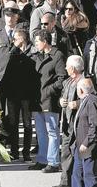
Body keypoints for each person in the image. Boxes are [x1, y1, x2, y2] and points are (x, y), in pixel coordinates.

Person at [65, 78, 97, 187]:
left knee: (90, 176)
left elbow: (95, 126)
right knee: (76, 173)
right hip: (79, 145)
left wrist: (87, 143)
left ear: (81, 90)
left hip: (89, 146)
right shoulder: (85, 100)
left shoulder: (92, 102)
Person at [29, 29, 67, 173]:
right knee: (40, 131)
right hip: (37, 100)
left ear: (45, 42)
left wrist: (48, 91)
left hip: (50, 99)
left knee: (52, 131)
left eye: (37, 41)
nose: (35, 44)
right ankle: (42, 159)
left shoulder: (57, 56)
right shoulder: (37, 56)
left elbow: (62, 78)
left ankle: (53, 161)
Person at [4, 27, 39, 161]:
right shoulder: (13, 52)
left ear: (23, 38)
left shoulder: (33, 52)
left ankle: (26, 152)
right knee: (13, 123)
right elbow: (7, 62)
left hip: (27, 94)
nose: (14, 41)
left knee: (27, 123)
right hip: (13, 93)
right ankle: (14, 151)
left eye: (16, 38)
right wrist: (14, 48)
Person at [53, 55, 85, 187]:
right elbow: (62, 96)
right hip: (67, 123)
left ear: (72, 68)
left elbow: (92, 99)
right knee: (66, 151)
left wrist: (77, 103)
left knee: (77, 154)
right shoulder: (68, 81)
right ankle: (66, 181)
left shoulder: (85, 81)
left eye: (67, 66)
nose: (65, 68)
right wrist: (61, 101)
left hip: (78, 124)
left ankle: (78, 182)